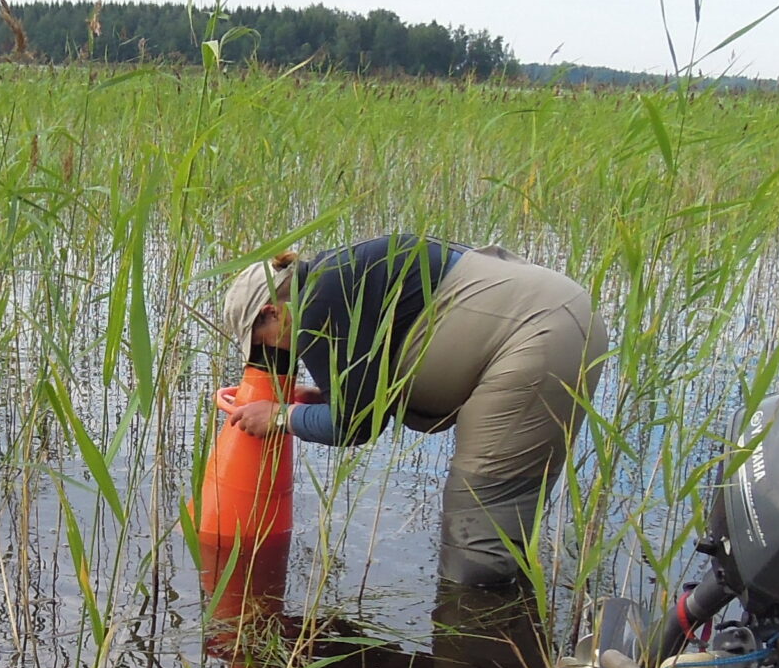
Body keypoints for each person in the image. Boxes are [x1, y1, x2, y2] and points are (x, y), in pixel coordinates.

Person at [214, 233, 606, 588]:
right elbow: (374, 382)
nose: (274, 356)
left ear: (271, 311)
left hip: (536, 338)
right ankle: (515, 630)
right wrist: (324, 395)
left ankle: (478, 651)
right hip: (557, 318)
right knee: (505, 522)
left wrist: (280, 417)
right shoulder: (332, 278)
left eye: (261, 345)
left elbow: (356, 426)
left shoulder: (314, 307)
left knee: (477, 552)